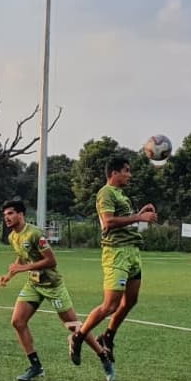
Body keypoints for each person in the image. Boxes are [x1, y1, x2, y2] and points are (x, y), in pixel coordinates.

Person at [0, 200, 115, 381]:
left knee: (74, 326)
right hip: (34, 285)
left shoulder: (35, 234)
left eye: (10, 214)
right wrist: (9, 275)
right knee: (18, 322)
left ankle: (103, 356)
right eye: (5, 215)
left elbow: (52, 261)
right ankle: (36, 366)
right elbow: (22, 257)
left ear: (21, 214)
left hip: (53, 286)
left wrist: (24, 268)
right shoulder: (13, 237)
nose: (7, 218)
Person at [69, 156, 157, 367]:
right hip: (116, 254)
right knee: (110, 306)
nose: (129, 174)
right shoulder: (106, 192)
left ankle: (107, 336)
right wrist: (139, 218)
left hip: (132, 252)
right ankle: (79, 336)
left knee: (130, 301)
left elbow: (124, 221)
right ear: (114, 173)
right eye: (126, 170)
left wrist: (139, 214)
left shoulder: (120, 194)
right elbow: (108, 222)